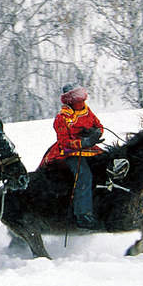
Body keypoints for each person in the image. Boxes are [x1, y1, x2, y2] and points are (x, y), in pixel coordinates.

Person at [41, 83, 104, 229]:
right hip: (69, 153)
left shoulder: (87, 111)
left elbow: (99, 125)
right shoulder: (61, 118)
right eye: (77, 100)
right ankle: (82, 214)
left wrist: (96, 133)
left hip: (91, 149)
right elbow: (64, 142)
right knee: (83, 175)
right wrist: (83, 142)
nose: (81, 103)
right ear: (69, 100)